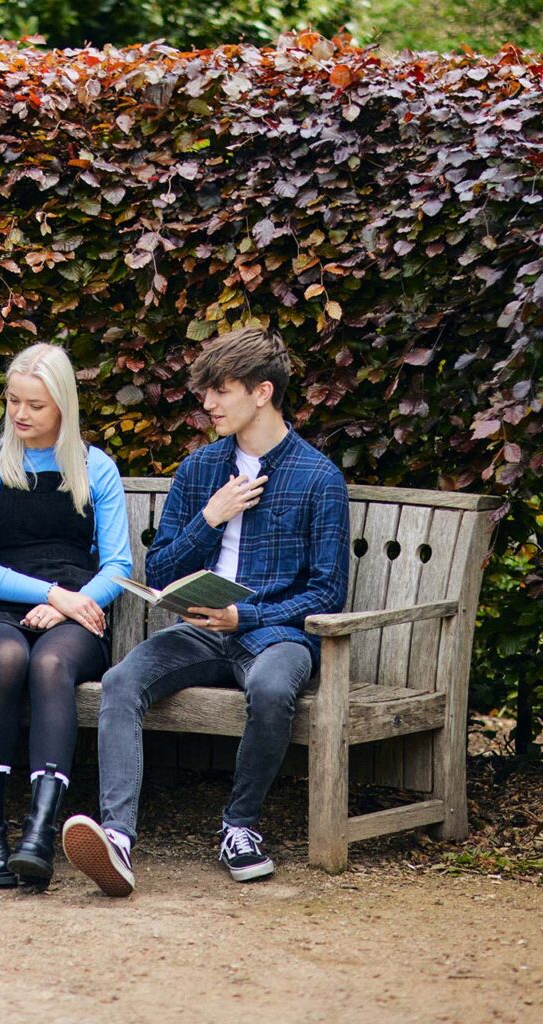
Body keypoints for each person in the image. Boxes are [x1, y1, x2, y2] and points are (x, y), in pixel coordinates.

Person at [62, 326, 350, 894]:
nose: (209, 404)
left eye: (221, 391)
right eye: (206, 393)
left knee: (270, 689)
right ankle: (117, 838)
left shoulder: (318, 478)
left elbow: (326, 592)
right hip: (199, 632)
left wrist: (248, 617)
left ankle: (239, 828)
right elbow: (163, 569)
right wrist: (210, 518)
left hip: (276, 637)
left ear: (262, 392)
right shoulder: (200, 471)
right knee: (121, 681)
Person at [0, 343, 133, 890]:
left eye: (35, 404)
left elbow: (119, 565)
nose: (20, 414)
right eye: (13, 401)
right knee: (10, 657)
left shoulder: (93, 466)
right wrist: (54, 593)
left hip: (77, 612)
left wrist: (69, 604)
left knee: (52, 664)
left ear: (63, 406)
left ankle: (39, 830)